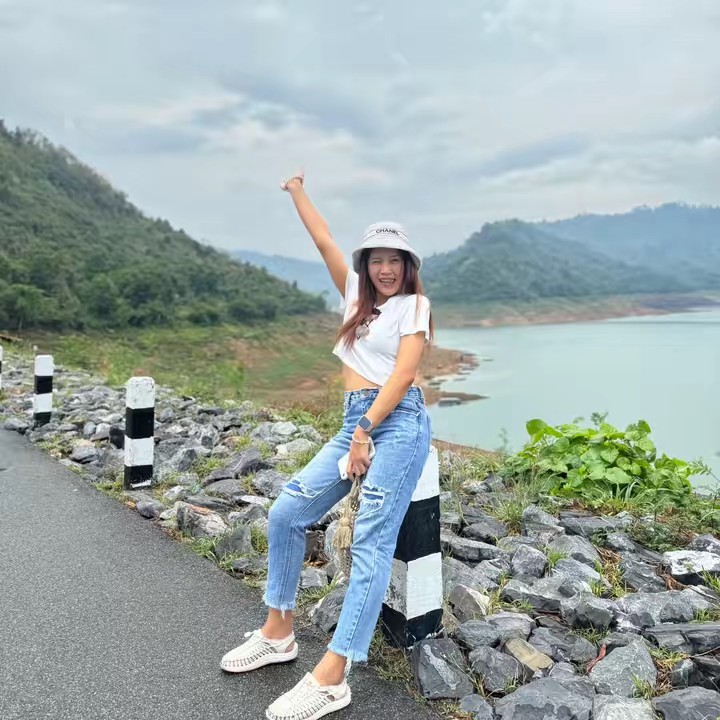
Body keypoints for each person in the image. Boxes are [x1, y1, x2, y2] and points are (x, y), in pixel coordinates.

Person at [220, 172, 433, 720]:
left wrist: (366, 432)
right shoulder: (355, 296)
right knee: (287, 513)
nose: (385, 269)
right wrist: (296, 190)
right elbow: (323, 239)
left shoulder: (415, 307)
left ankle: (334, 676)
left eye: (395, 260)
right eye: (376, 260)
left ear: (408, 265)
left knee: (369, 542)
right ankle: (278, 631)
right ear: (366, 265)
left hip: (397, 424)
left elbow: (404, 375)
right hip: (353, 422)